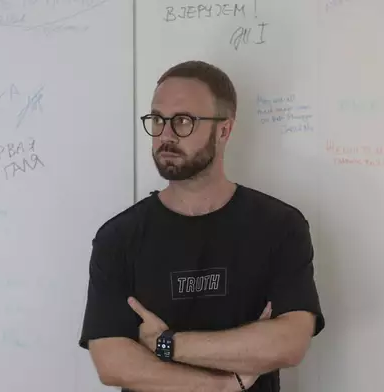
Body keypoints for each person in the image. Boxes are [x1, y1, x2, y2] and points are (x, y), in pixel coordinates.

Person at [78, 60, 325, 392]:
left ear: (224, 130)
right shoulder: (118, 237)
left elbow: (290, 342)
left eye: (183, 121)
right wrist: (221, 386)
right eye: (157, 120)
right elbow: (111, 362)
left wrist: (167, 344)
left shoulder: (280, 225)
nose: (165, 135)